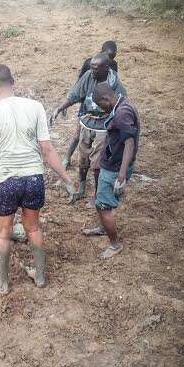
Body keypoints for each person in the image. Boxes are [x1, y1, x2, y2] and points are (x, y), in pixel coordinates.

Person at [0, 64, 75, 295]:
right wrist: (66, 179)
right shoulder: (35, 107)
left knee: (3, 233)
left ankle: (3, 284)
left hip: (7, 181)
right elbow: (47, 150)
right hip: (33, 178)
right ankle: (41, 277)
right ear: (13, 82)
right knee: (33, 228)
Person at [51, 52, 127, 205]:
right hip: (87, 122)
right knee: (83, 160)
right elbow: (74, 95)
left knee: (97, 164)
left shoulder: (115, 84)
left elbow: (122, 106)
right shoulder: (88, 76)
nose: (93, 71)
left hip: (104, 126)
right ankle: (82, 188)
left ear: (106, 67)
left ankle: (98, 195)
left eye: (96, 68)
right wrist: (59, 108)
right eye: (92, 68)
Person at [82, 83, 140, 258]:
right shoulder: (123, 103)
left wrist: (122, 174)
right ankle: (103, 228)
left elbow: (129, 143)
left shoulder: (122, 113)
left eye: (101, 105)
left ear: (106, 99)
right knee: (101, 201)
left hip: (115, 168)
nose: (101, 109)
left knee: (103, 205)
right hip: (111, 164)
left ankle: (115, 244)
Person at [62, 41, 119, 170]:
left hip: (102, 106)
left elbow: (113, 86)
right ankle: (67, 157)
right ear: (102, 52)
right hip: (86, 104)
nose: (110, 60)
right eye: (109, 56)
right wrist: (68, 103)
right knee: (78, 135)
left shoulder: (113, 65)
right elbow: (80, 84)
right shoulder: (90, 63)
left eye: (113, 57)